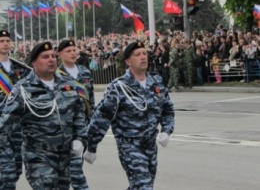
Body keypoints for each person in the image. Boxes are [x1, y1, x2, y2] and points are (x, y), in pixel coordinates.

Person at [83, 41, 175, 190]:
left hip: (150, 145)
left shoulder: (156, 82)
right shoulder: (119, 87)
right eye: (137, 55)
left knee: (141, 186)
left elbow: (167, 110)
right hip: (130, 146)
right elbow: (101, 118)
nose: (143, 57)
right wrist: (91, 146)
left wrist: (166, 130)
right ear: (127, 61)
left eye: (144, 53)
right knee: (143, 186)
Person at [0, 41, 88, 190]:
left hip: (65, 155)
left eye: (53, 56)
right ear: (34, 62)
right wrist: (7, 158)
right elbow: (4, 126)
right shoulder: (23, 89)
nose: (51, 59)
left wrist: (80, 138)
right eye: (45, 57)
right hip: (39, 156)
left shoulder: (69, 85)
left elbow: (79, 114)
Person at [57, 39, 95, 190]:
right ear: (60, 54)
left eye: (74, 50)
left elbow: (91, 99)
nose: (73, 53)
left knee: (73, 169)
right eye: (68, 51)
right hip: (65, 128)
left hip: (83, 126)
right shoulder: (56, 75)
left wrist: (92, 126)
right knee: (75, 172)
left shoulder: (85, 72)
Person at [0, 30, 31, 190]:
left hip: (18, 128)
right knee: (8, 173)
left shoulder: (21, 69)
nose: (5, 43)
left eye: (7, 40)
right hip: (0, 129)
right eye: (1, 41)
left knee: (17, 168)